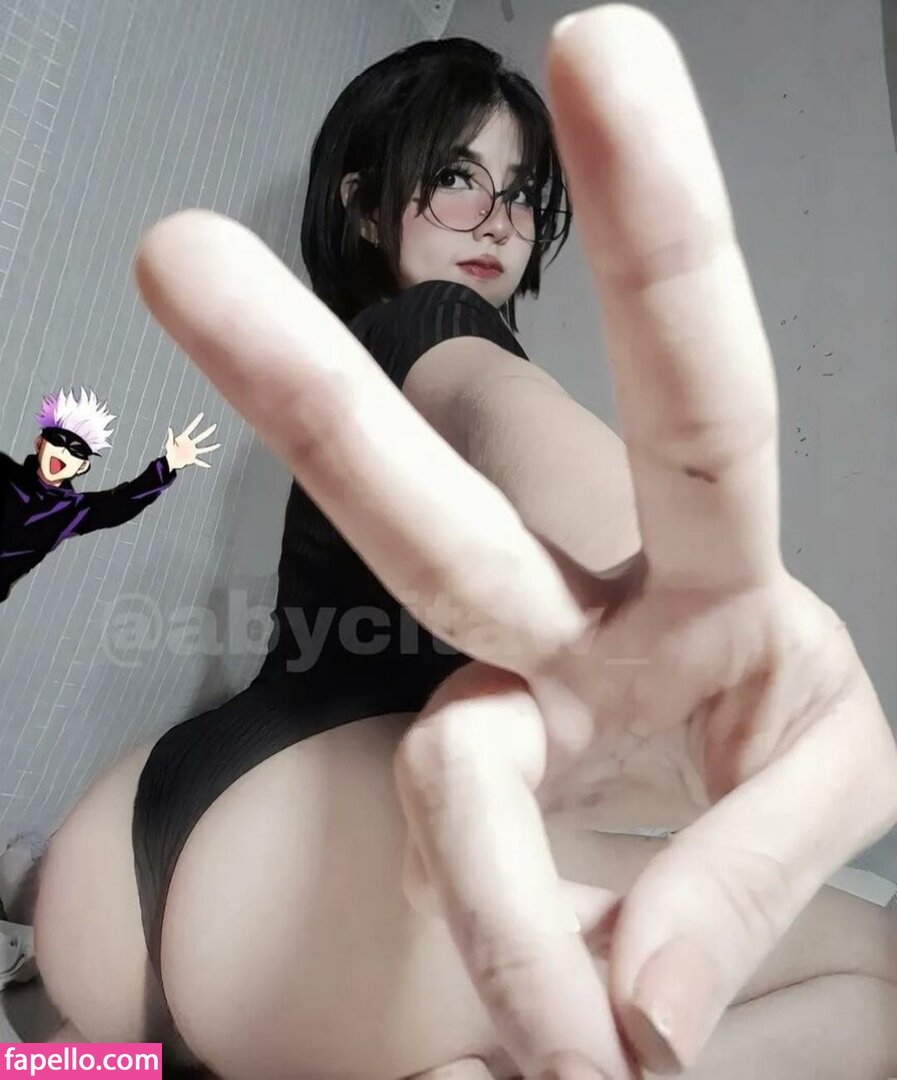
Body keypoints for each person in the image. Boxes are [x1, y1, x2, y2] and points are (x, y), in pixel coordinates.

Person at [28, 6, 897, 1080]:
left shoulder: (353, 377)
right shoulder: (435, 320)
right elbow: (495, 408)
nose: (498, 220)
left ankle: (77, 1063)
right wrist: (648, 562)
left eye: (521, 190)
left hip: (125, 857)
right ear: (363, 205)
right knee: (882, 971)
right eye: (455, 177)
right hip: (300, 870)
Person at [0, 387, 220, 602]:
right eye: (57, 440)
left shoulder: (70, 511)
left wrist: (170, 463)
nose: (64, 451)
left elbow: (122, 502)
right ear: (39, 443)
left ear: (83, 466)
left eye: (76, 450)